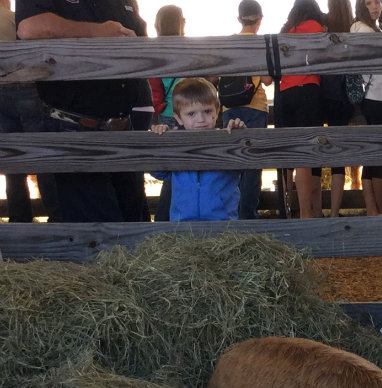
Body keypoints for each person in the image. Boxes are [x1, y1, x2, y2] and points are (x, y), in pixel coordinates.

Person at [16, 0, 149, 224]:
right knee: (101, 237)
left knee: (135, 225)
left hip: (123, 129)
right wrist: (98, 32)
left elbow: (138, 35)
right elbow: (29, 27)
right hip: (75, 131)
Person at [150, 78, 246, 222]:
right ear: (178, 117)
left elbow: (246, 162)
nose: (201, 119)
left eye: (207, 111)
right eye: (191, 114)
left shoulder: (226, 140)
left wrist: (240, 136)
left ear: (217, 110)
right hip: (183, 228)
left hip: (222, 227)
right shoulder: (177, 146)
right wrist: (161, 142)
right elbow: (158, 172)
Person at [0, 0, 59, 223]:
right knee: (41, 153)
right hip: (26, 87)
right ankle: (56, 216)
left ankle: (19, 218)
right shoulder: (13, 18)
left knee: (12, 158)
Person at [222, 0, 274, 220]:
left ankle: (230, 215)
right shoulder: (260, 44)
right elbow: (267, 79)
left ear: (239, 19)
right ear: (260, 19)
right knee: (252, 165)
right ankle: (248, 217)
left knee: (232, 163)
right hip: (255, 108)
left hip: (229, 108)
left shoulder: (229, 43)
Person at [278, 0, 326, 219]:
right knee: (307, 154)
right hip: (308, 90)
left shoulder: (286, 30)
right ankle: (308, 212)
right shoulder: (317, 28)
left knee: (289, 154)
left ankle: (287, 210)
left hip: (285, 93)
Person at [351, 0, 382, 216]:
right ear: (362, 7)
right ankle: (379, 210)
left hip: (380, 97)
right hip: (377, 97)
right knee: (379, 157)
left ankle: (374, 210)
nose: (374, 7)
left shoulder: (373, 29)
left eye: (377, 2)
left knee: (374, 157)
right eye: (369, 3)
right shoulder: (361, 29)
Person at [148, 4, 186, 222]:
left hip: (163, 114)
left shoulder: (154, 50)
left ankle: (165, 219)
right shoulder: (186, 49)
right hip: (184, 115)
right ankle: (164, 218)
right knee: (180, 172)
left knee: (171, 171)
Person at [319, 0, 355, 217]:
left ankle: (312, 210)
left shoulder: (323, 23)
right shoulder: (351, 25)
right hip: (343, 96)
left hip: (320, 92)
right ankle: (334, 212)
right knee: (338, 159)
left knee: (315, 152)